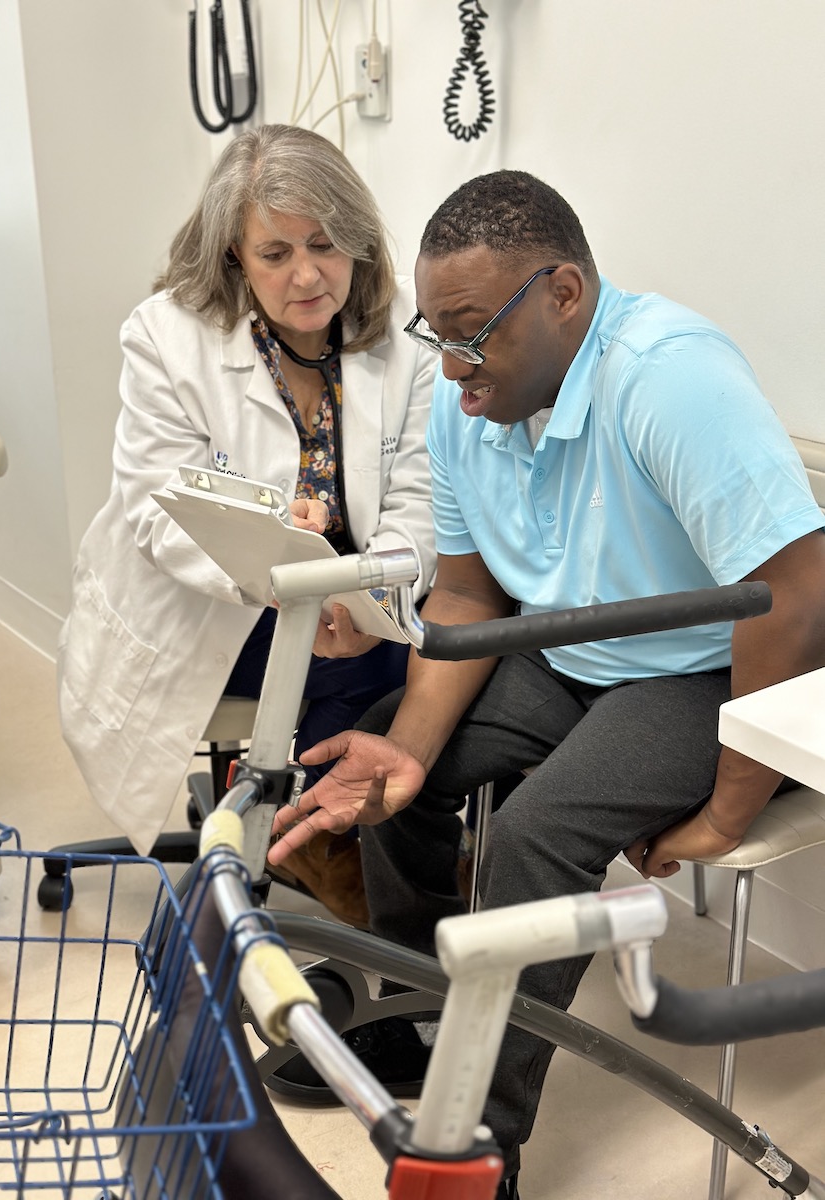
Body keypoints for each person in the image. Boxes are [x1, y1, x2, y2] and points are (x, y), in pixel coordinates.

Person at [265, 169, 825, 1197]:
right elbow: (472, 605)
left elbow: (794, 594)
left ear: (563, 293)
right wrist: (413, 749)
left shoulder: (669, 380)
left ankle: (479, 1143)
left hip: (708, 672)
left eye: (472, 330)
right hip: (564, 650)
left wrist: (729, 810)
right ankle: (421, 1020)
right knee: (391, 767)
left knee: (531, 835)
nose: (452, 362)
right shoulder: (469, 397)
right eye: (438, 333)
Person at [57, 125, 436, 928]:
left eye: (328, 244)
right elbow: (158, 507)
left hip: (352, 607)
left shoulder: (406, 332)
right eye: (276, 253)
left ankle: (339, 837)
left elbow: (420, 497)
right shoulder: (167, 335)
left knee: (422, 655)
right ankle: (316, 841)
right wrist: (275, 553)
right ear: (235, 253)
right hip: (214, 607)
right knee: (348, 668)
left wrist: (364, 589)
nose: (308, 274)